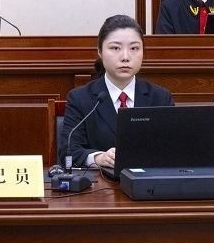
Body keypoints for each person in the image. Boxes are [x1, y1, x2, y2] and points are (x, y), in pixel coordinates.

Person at [60, 14, 173, 170]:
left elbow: (173, 148)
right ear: (100, 51)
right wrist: (99, 158)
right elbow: (68, 151)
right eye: (115, 48)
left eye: (134, 48)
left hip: (148, 181)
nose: (125, 57)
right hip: (100, 183)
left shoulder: (160, 98)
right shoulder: (80, 98)